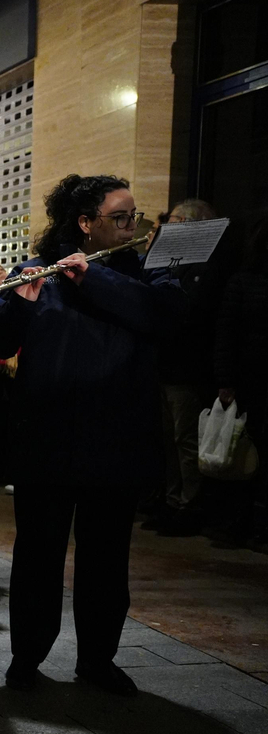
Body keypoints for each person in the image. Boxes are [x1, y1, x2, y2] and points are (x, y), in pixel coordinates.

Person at [0, 175, 183, 695]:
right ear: (85, 224)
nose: (132, 226)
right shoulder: (39, 274)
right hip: (47, 439)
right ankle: (26, 658)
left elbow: (164, 319)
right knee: (38, 557)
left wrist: (92, 276)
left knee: (106, 560)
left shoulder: (152, 274)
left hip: (116, 441)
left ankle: (97, 659)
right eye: (120, 217)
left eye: (134, 217)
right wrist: (18, 304)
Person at [147, 198, 217, 536]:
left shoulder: (204, 265)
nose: (164, 227)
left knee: (185, 439)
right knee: (168, 440)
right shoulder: (172, 263)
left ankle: (190, 505)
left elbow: (189, 313)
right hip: (165, 364)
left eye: (170, 221)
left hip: (186, 367)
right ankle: (172, 500)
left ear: (190, 225)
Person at [214, 216, 268, 546]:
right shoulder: (243, 281)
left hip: (251, 377)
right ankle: (243, 524)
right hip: (252, 380)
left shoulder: (244, 281)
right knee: (245, 455)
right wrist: (225, 380)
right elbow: (227, 334)